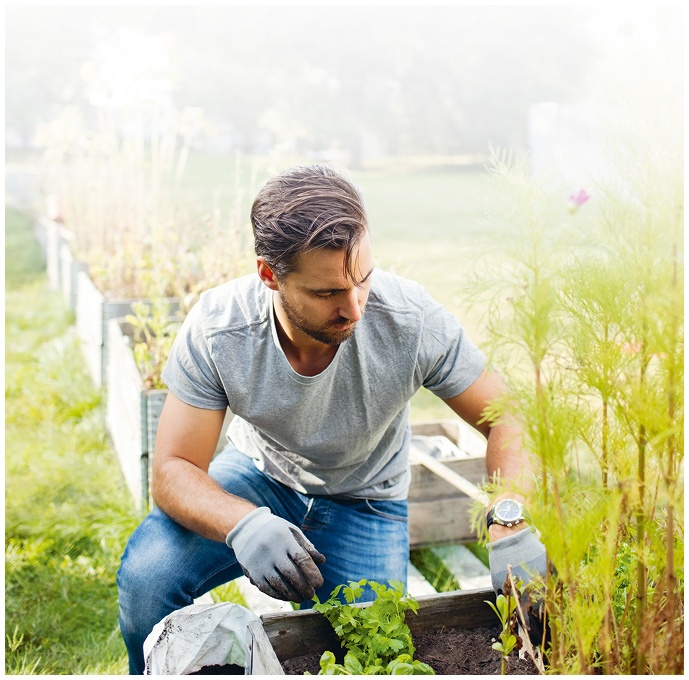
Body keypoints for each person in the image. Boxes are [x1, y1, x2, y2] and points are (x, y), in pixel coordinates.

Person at [116, 164, 546, 673]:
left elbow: (509, 415)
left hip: (366, 501)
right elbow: (172, 470)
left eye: (361, 280)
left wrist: (508, 521)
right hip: (262, 478)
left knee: (370, 653)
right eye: (327, 294)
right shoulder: (220, 330)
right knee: (147, 577)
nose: (355, 308)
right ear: (269, 275)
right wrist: (243, 525)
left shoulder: (410, 321)